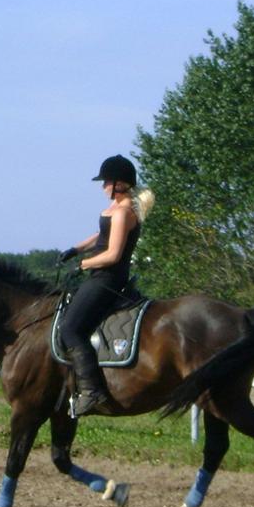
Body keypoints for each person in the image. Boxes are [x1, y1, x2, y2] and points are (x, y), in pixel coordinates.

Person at [59, 154, 152, 416]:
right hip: (98, 275)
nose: (103, 187)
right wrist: (76, 249)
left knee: (71, 328)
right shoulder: (115, 210)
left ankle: (91, 391)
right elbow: (102, 235)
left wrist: (83, 265)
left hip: (108, 278)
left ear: (120, 184)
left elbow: (112, 254)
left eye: (106, 182)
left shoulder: (124, 212)